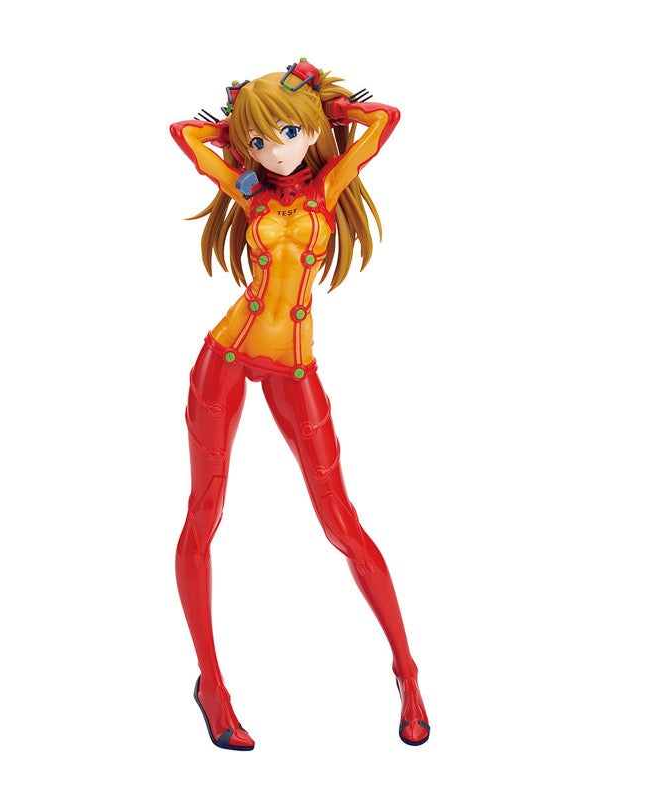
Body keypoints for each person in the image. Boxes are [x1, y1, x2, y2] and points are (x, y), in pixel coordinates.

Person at [170, 59, 430, 749]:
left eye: (287, 133)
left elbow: (386, 120)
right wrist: (239, 130)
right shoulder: (248, 190)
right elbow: (183, 134)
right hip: (226, 356)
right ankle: (212, 685)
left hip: (294, 365)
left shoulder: (328, 185)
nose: (273, 151)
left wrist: (329, 110)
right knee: (204, 515)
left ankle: (407, 672)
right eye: (258, 141)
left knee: (343, 523)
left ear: (311, 131)